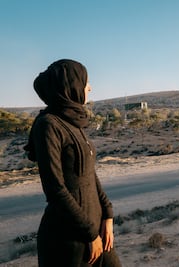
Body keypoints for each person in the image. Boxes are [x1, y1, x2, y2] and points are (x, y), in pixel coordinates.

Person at [24, 59, 122, 267]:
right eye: (86, 82)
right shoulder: (48, 125)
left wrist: (108, 215)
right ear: (71, 85)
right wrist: (89, 234)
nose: (89, 87)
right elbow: (55, 189)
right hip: (68, 238)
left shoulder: (73, 121)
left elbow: (89, 174)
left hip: (95, 228)